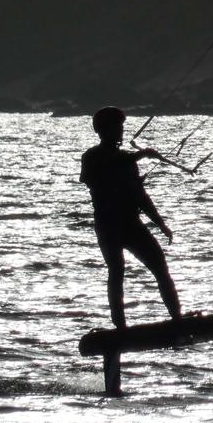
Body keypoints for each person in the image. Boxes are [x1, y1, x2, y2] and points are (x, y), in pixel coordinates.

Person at [80, 106, 182, 329]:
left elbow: (141, 197)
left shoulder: (127, 159)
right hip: (108, 227)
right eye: (116, 126)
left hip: (131, 224)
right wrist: (141, 154)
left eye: (121, 126)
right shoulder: (91, 157)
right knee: (117, 271)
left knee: (160, 268)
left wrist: (161, 224)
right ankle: (120, 328)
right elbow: (99, 174)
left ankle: (178, 319)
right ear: (102, 130)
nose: (120, 130)